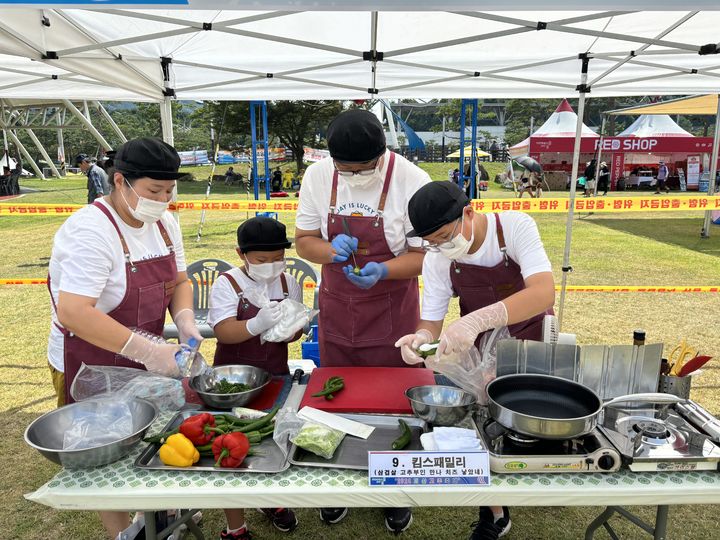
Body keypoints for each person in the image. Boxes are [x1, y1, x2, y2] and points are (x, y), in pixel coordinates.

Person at [48, 138, 202, 539]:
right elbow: (75, 312)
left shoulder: (165, 224)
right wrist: (147, 349)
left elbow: (180, 281)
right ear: (120, 181)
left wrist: (184, 319)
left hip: (145, 355)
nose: (163, 200)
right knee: (105, 452)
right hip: (88, 361)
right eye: (154, 191)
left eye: (170, 191)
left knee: (153, 434)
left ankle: (158, 515)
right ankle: (123, 532)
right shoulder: (90, 231)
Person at [294, 108, 430, 533]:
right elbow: (303, 241)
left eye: (362, 169)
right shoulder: (317, 177)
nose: (352, 175)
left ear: (382, 153)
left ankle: (394, 491)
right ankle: (335, 488)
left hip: (393, 312)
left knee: (395, 405)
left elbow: (424, 256)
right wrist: (330, 251)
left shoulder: (412, 180)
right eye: (344, 169)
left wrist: (383, 270)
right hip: (337, 305)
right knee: (337, 399)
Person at [396, 181, 555, 540]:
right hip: (481, 346)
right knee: (483, 424)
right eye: (429, 241)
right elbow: (432, 319)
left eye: (442, 235)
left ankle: (539, 479)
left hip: (532, 340)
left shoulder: (514, 227)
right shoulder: (438, 258)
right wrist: (421, 338)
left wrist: (478, 318)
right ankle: (495, 512)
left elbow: (543, 290)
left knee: (528, 424)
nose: (437, 246)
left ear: (469, 213)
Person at [207, 216, 302, 539]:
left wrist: (289, 329)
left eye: (278, 259)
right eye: (262, 260)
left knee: (273, 441)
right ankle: (236, 527)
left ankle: (271, 501)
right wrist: (256, 324)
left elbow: (297, 328)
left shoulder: (289, 283)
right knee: (231, 446)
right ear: (241, 254)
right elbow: (223, 331)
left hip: (276, 375)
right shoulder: (228, 283)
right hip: (233, 382)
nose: (272, 266)